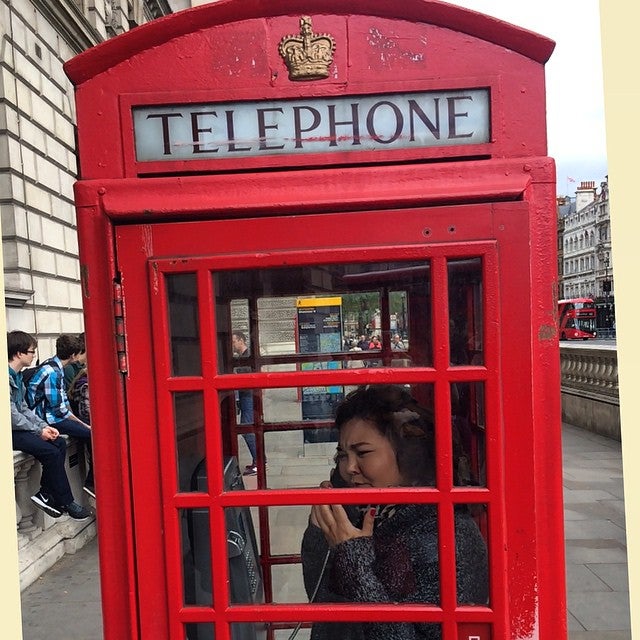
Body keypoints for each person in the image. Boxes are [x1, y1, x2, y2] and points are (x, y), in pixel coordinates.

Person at [301, 385, 488, 640]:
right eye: (343, 455)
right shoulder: (369, 513)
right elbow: (322, 602)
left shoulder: (446, 535)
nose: (350, 467)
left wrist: (353, 557)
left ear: (408, 452)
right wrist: (320, 532)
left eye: (363, 453)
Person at [8, 331, 91, 520]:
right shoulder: (7, 377)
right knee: (51, 451)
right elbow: (12, 415)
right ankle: (66, 501)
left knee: (60, 444)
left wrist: (42, 426)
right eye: (31, 352)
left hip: (24, 425)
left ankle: (46, 493)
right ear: (19, 353)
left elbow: (24, 408)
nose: (34, 356)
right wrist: (39, 430)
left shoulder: (17, 376)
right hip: (10, 431)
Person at [27, 334, 95, 498]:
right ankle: (91, 482)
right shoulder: (53, 372)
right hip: (45, 418)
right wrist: (85, 425)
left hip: (49, 415)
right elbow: (59, 411)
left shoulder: (54, 366)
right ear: (73, 355)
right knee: (92, 434)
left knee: (90, 431)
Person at [231, 331, 260, 476]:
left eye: (234, 341)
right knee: (249, 429)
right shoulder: (242, 358)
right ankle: (259, 460)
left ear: (241, 340)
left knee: (247, 430)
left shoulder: (247, 357)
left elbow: (247, 380)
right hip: (245, 397)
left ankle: (259, 462)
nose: (233, 345)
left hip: (248, 397)